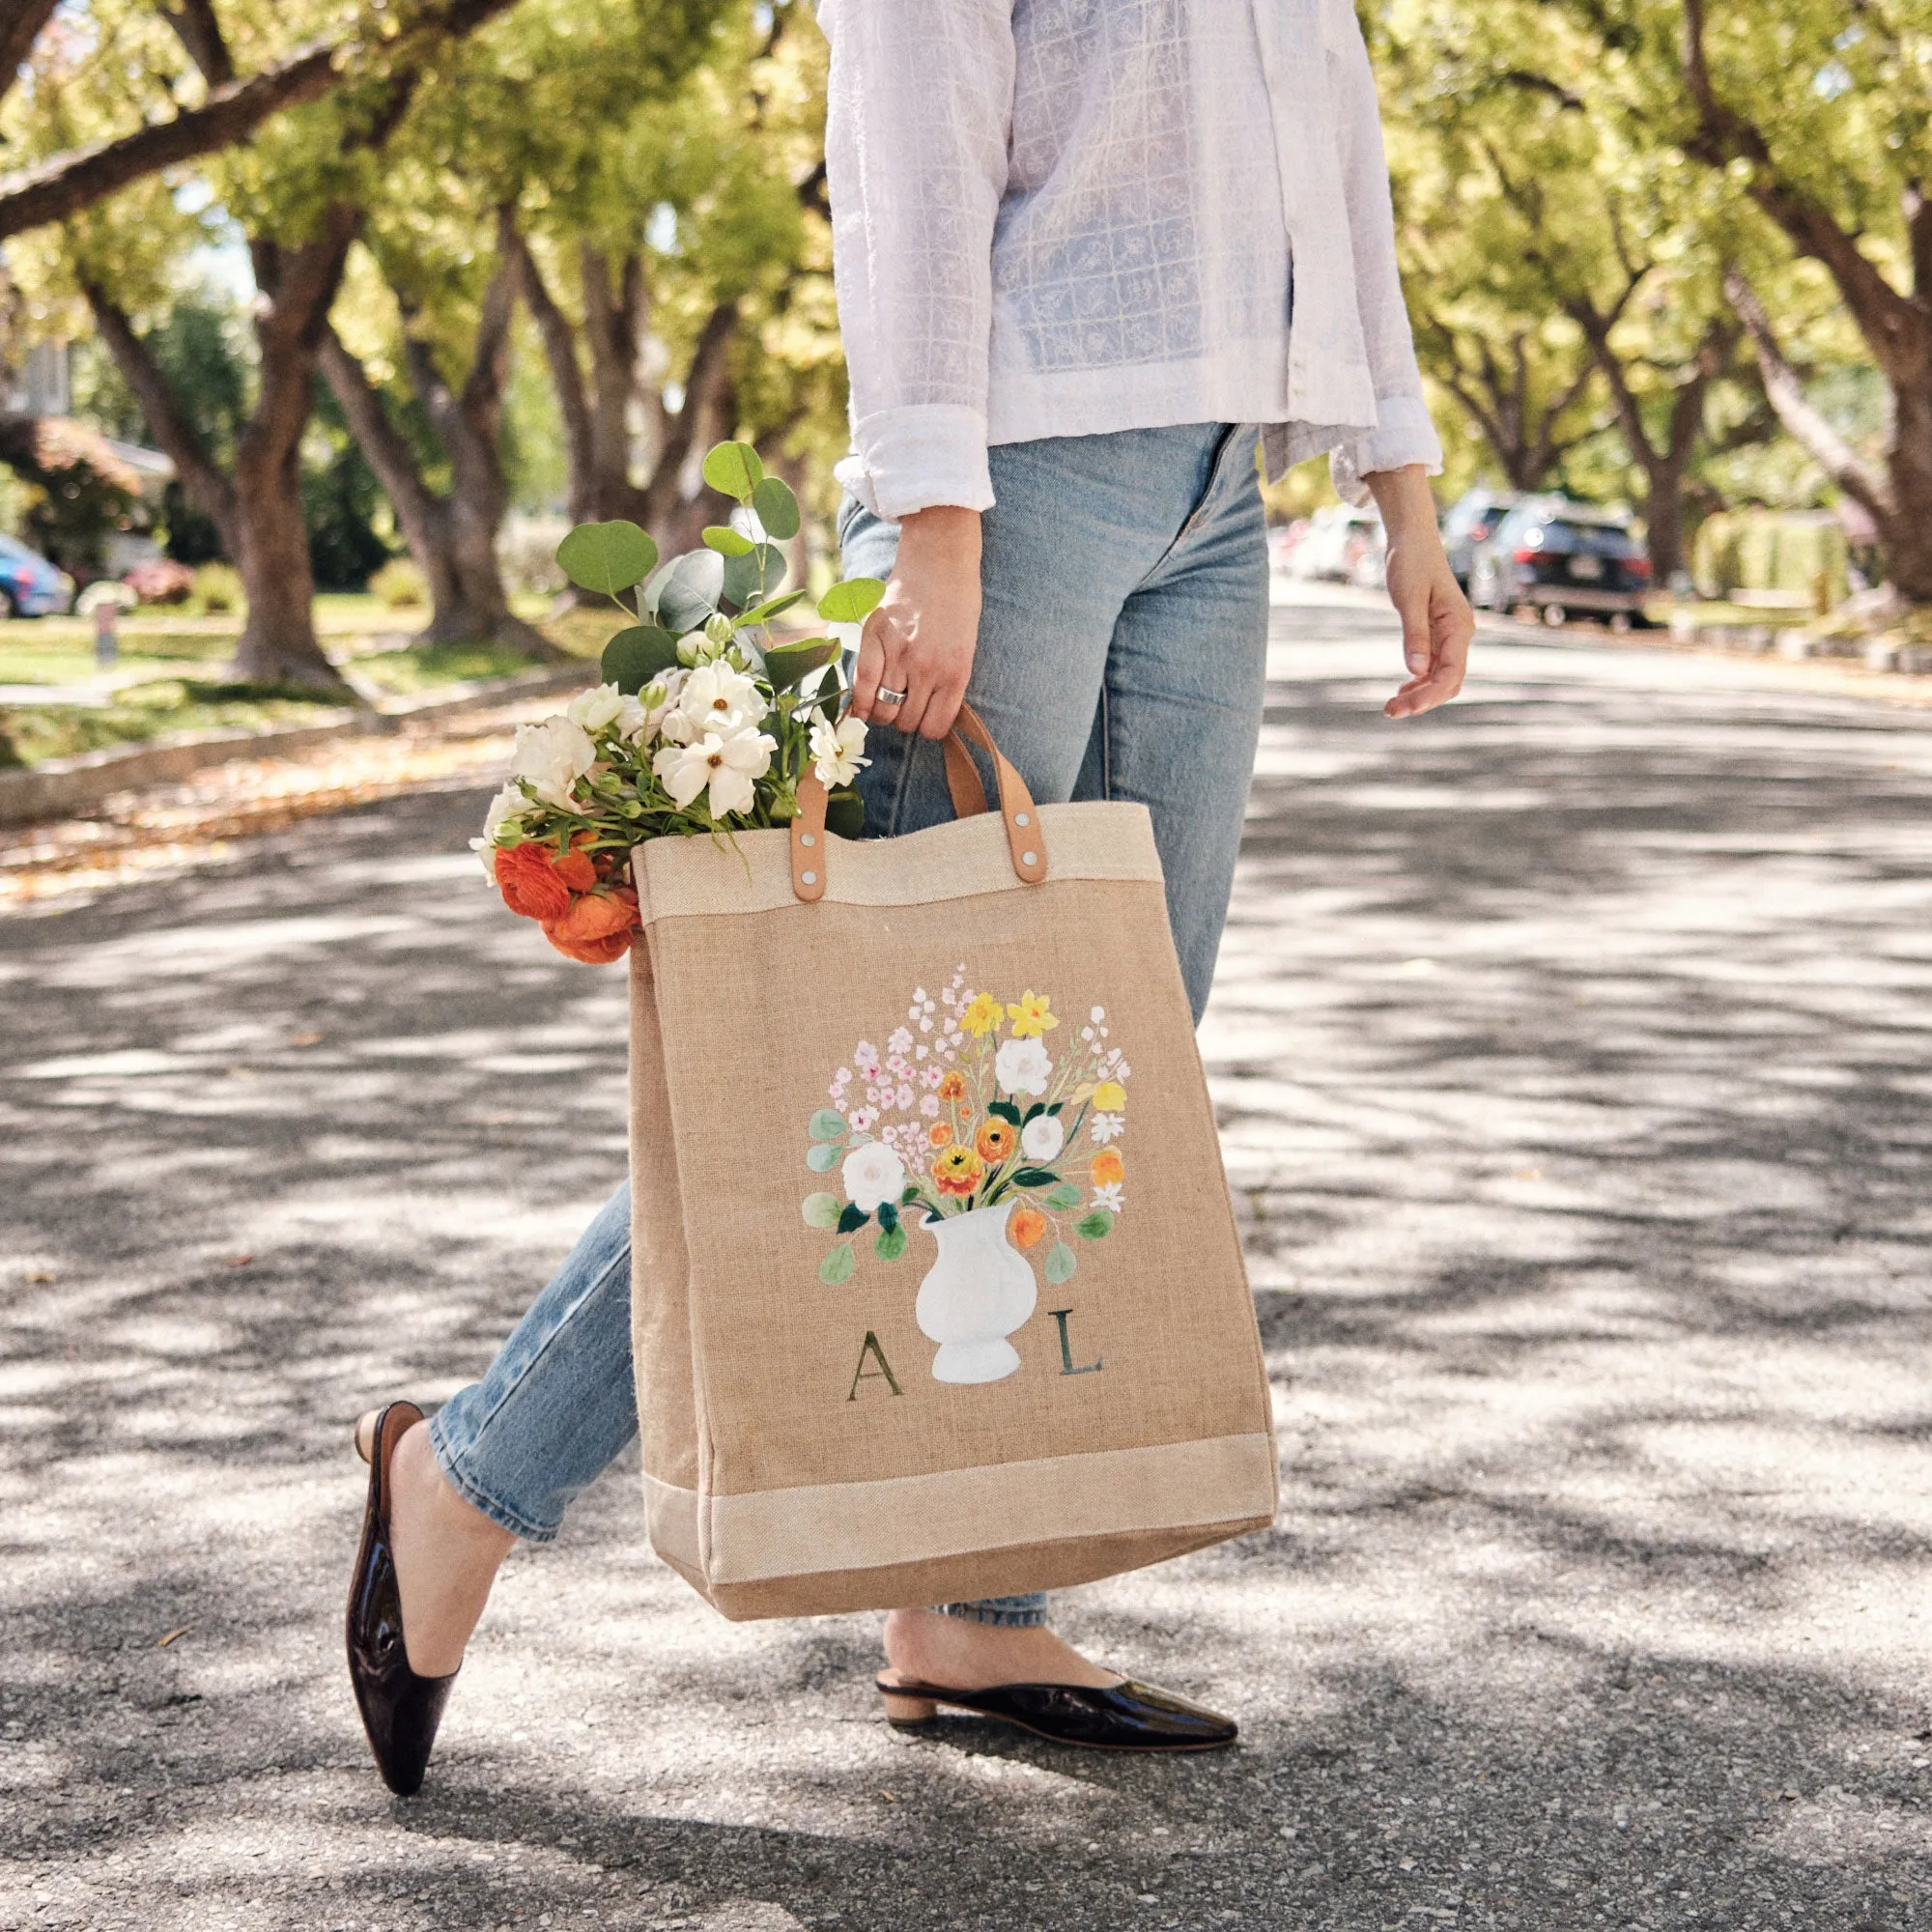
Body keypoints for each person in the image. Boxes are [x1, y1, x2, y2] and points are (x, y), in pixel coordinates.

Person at [347, 0, 1473, 1795]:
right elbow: (910, 144)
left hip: (1218, 495)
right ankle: (463, 1481)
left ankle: (977, 1607)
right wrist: (937, 522)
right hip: (1020, 477)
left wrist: (1401, 488)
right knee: (876, 1068)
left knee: (1105, 1061)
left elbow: (1326, 144)